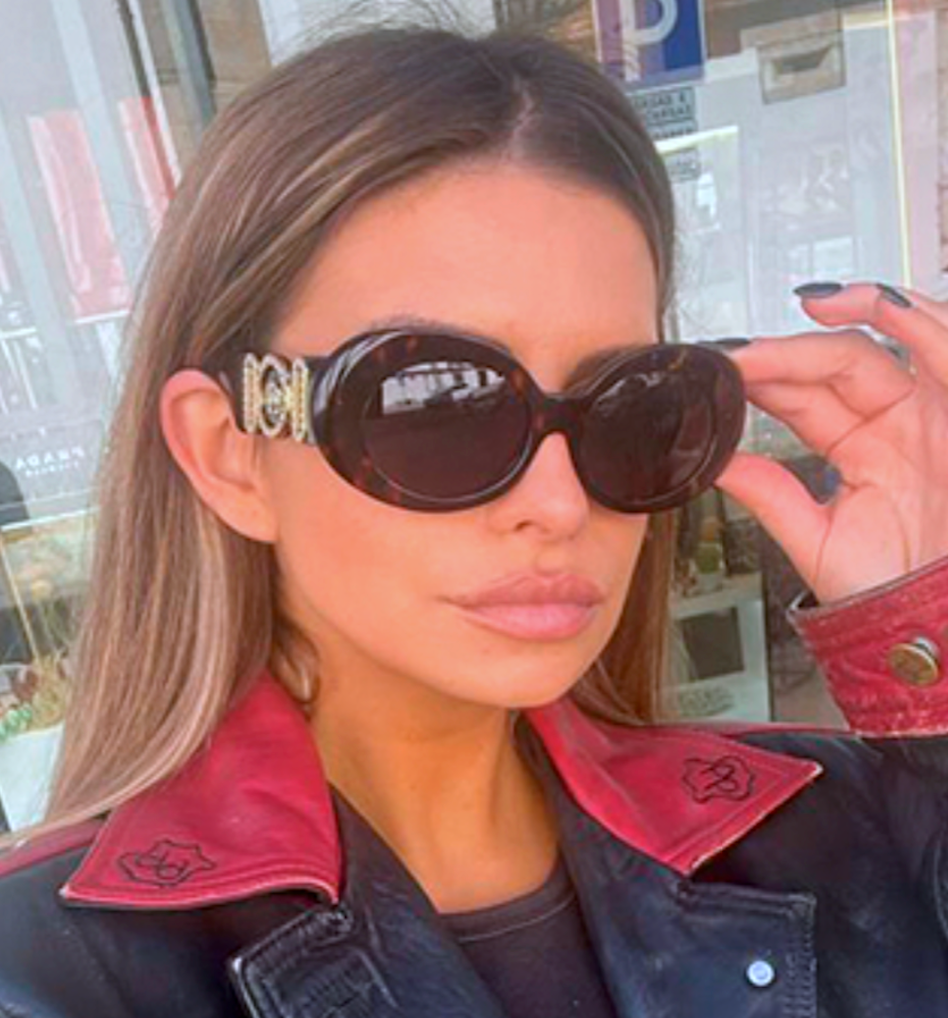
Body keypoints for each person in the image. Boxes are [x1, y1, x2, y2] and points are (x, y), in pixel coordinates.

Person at [0, 24, 947, 1018]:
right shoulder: (47, 980)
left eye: (632, 405)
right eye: (438, 405)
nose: (560, 503)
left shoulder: (836, 825)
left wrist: (923, 640)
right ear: (231, 449)